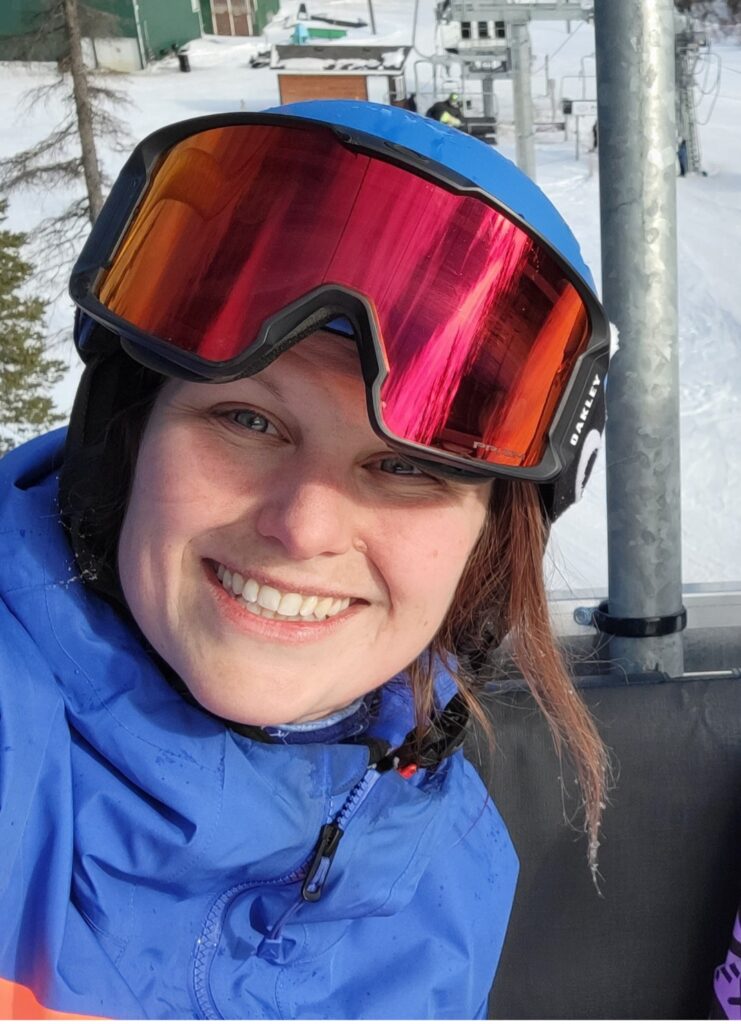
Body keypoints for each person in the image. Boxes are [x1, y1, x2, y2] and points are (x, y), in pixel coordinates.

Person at [0, 100, 611, 1019]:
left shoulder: (448, 873)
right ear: (126, 439)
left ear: (488, 545)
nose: (304, 526)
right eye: (247, 420)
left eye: (403, 468)